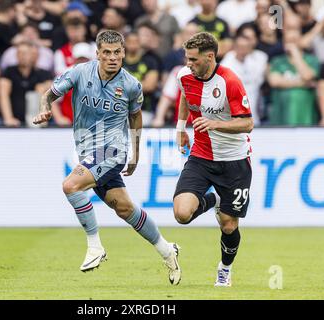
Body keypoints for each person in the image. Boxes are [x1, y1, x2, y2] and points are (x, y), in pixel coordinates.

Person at [32, 30, 181, 285]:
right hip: (88, 151)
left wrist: (134, 152)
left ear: (123, 53)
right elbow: (49, 94)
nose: (113, 58)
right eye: (107, 53)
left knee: (70, 186)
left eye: (117, 53)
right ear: (98, 54)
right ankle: (168, 251)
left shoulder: (132, 85)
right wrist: (45, 109)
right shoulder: (79, 73)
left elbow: (135, 116)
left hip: (113, 150)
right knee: (124, 209)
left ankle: (95, 246)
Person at [173, 32, 253, 287]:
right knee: (181, 213)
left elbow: (248, 123)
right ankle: (214, 198)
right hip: (201, 156)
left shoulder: (230, 81)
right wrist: (181, 128)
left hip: (235, 161)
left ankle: (225, 269)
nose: (189, 64)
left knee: (229, 226)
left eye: (194, 60)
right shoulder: (185, 76)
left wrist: (215, 124)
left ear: (210, 56)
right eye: (187, 58)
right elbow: (186, 94)